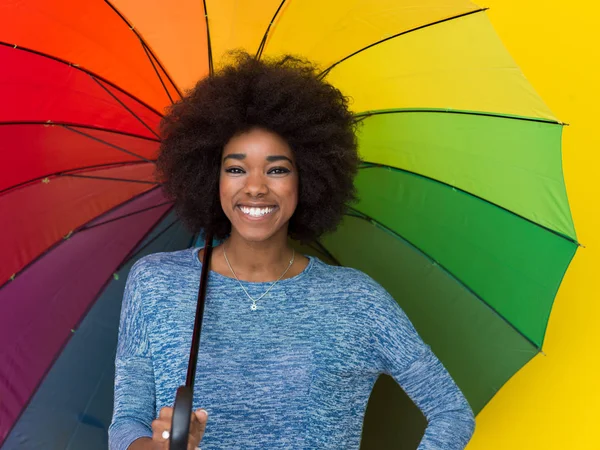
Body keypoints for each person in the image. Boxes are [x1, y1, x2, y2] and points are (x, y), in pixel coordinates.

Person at [108, 51, 475, 450]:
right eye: (235, 168)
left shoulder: (356, 300)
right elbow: (126, 424)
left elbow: (451, 413)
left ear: (309, 178)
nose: (255, 187)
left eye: (277, 169)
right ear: (208, 177)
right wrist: (156, 448)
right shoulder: (156, 283)